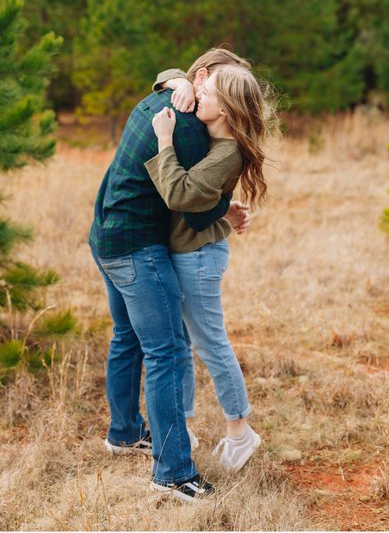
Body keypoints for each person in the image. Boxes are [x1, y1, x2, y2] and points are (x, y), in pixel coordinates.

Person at [88, 48, 251, 502]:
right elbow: (189, 206)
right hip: (137, 248)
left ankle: (123, 434)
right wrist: (223, 207)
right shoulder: (190, 132)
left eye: (207, 86)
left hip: (104, 235)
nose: (199, 86)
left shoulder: (158, 100)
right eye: (202, 82)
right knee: (166, 352)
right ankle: (174, 472)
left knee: (127, 337)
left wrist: (172, 81)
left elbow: (170, 77)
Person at [145, 62, 275, 472]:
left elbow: (180, 193)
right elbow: (179, 72)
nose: (200, 93)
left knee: (210, 344)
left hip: (199, 258)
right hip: (191, 251)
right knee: (183, 344)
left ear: (226, 108)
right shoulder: (211, 136)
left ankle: (240, 432)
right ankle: (182, 425)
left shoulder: (227, 151)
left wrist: (165, 141)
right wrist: (178, 80)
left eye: (209, 91)